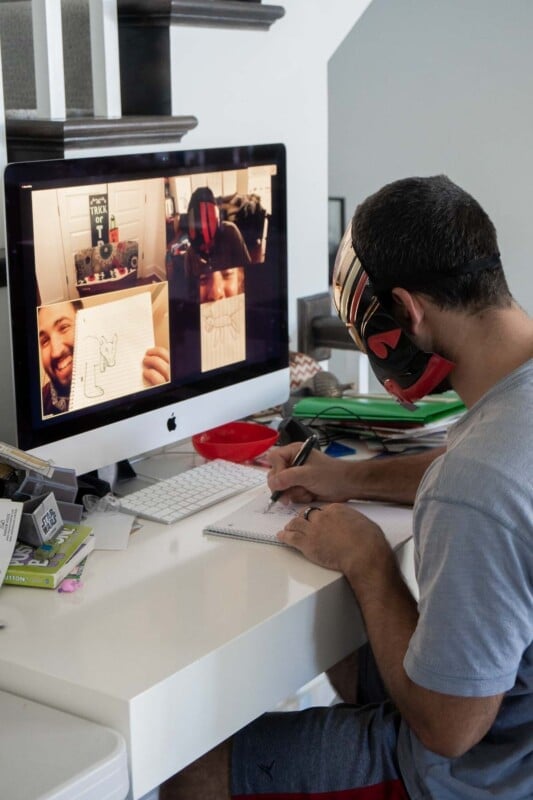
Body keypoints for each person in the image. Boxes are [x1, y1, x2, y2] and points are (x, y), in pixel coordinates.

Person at [159, 175, 533, 800]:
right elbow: (486, 477)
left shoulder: (475, 484)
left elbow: (449, 730)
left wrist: (368, 562)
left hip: (480, 769)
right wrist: (348, 478)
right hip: (511, 709)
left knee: (190, 769)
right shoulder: (501, 434)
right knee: (341, 647)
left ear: (407, 312)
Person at [38, 300, 170, 416]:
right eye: (44, 341)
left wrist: (166, 401)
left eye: (64, 327)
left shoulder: (129, 379)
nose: (55, 352)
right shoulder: (39, 403)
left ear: (86, 325)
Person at [184, 186, 251, 303]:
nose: (208, 249)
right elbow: (190, 294)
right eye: (203, 279)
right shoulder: (190, 255)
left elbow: (248, 274)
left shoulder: (231, 232)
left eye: (211, 243)